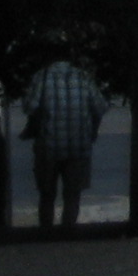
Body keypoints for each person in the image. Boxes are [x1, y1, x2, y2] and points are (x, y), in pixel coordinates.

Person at [22, 56, 112, 230]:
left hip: (49, 146)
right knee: (72, 194)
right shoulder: (84, 77)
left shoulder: (42, 76)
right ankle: (68, 231)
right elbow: (100, 107)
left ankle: (46, 232)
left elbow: (29, 107)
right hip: (78, 146)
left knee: (47, 194)